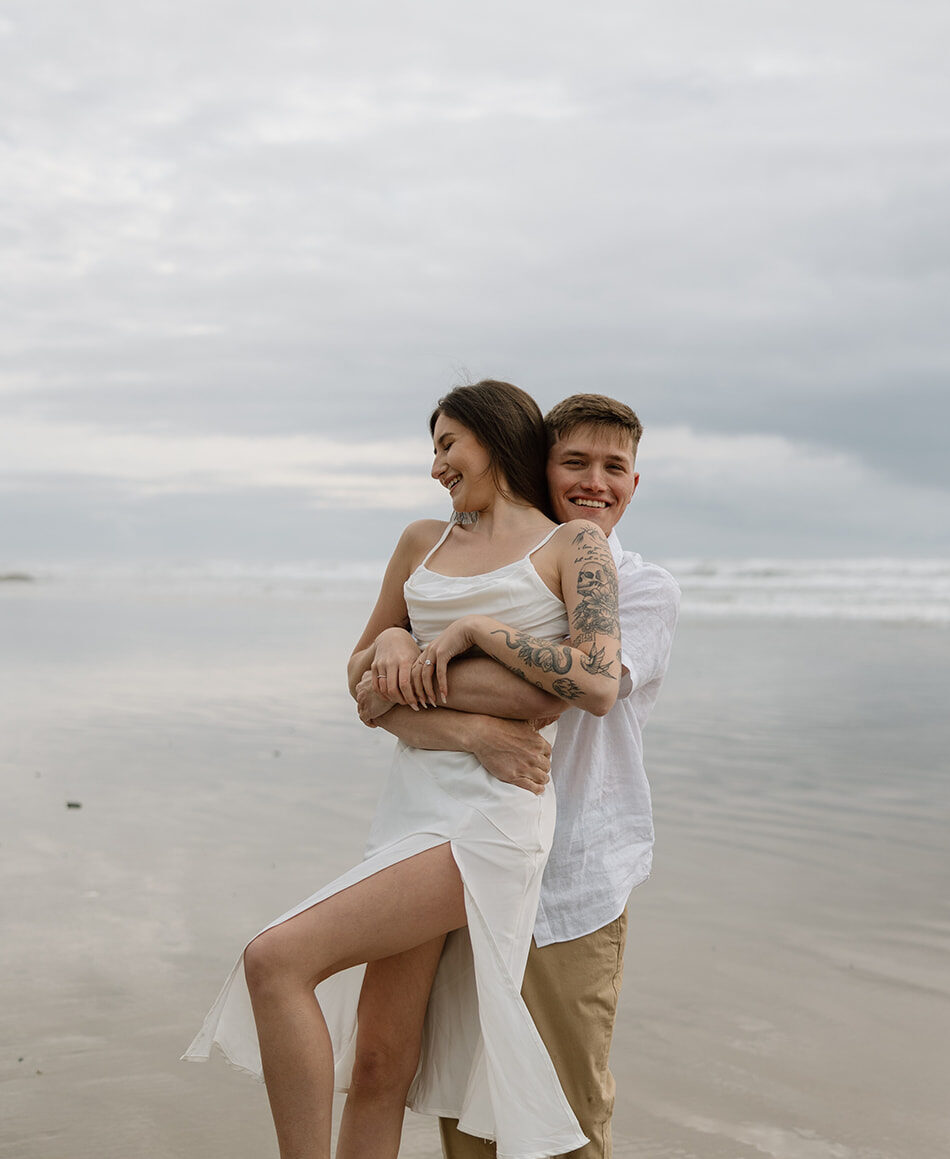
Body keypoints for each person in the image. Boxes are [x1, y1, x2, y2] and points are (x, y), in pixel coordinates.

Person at [183, 380, 624, 1159]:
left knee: (274, 958)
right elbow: (359, 682)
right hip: (409, 808)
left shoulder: (571, 545)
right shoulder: (423, 540)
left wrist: (475, 631)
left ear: (491, 436)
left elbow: (592, 681)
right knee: (382, 1061)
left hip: (490, 818)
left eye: (447, 444)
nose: (436, 466)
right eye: (434, 448)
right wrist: (415, 674)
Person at [356, 394, 679, 1159]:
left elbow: (569, 691)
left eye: (614, 467)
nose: (594, 481)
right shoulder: (489, 562)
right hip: (468, 858)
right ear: (538, 466)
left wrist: (465, 638)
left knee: (564, 1115)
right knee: (469, 1109)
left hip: (571, 877)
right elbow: (377, 685)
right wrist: (399, 642)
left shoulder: (640, 587)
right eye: (574, 462)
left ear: (635, 483)